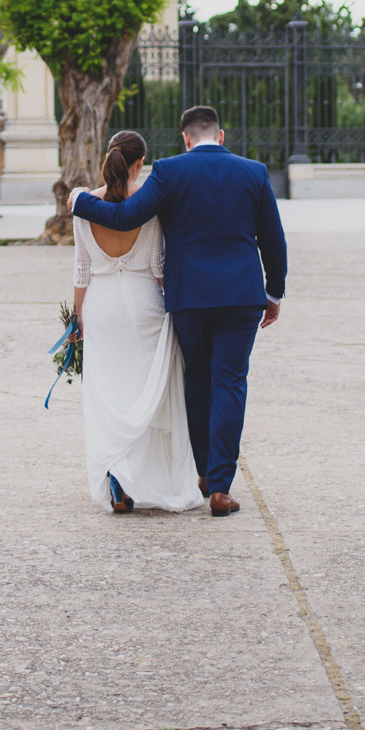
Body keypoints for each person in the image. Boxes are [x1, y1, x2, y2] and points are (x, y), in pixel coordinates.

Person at [70, 105, 286, 517]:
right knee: (231, 383)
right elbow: (273, 241)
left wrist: (80, 201)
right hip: (241, 296)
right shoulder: (254, 172)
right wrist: (273, 294)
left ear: (186, 138)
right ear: (220, 136)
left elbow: (125, 214)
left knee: (197, 380)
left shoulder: (169, 171)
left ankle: (202, 471)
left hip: (189, 297)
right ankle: (220, 487)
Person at [70, 130, 205, 514]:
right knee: (148, 393)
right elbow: (160, 267)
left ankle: (116, 472)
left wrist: (76, 317)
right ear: (140, 163)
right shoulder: (151, 204)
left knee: (109, 394)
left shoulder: (84, 204)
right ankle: (140, 475)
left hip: (102, 306)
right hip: (145, 305)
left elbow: (82, 269)